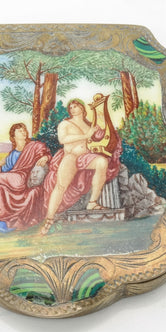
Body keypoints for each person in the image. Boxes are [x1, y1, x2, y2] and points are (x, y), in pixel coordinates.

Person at [40, 98, 121, 235]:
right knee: (60, 186)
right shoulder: (65, 124)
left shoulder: (90, 125)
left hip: (86, 157)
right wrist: (85, 135)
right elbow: (62, 139)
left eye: (75, 106)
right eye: (70, 107)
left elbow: (100, 138)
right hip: (71, 157)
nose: (72, 109)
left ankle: (92, 202)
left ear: (82, 108)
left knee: (102, 162)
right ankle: (49, 219)